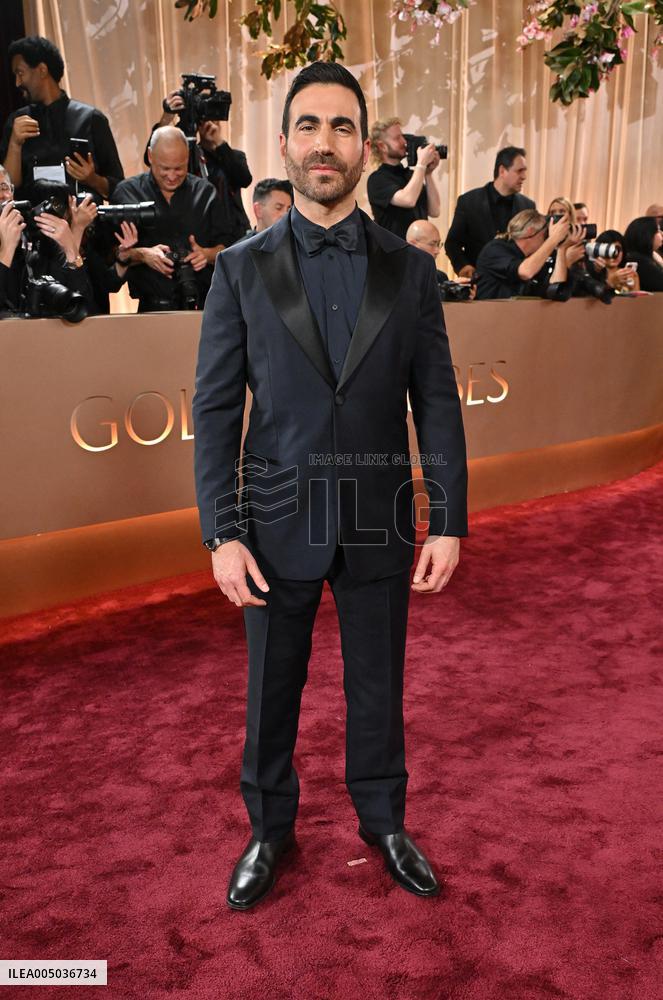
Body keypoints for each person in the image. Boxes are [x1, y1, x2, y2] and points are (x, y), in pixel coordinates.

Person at [193, 61, 468, 911]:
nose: (325, 142)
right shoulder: (239, 269)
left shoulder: (408, 268)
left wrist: (449, 517)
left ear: (362, 143)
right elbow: (214, 407)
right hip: (275, 520)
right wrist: (222, 531)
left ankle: (383, 821)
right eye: (308, 125)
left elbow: (435, 399)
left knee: (378, 684)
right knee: (271, 689)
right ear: (284, 142)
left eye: (342, 126)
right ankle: (268, 830)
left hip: (381, 518)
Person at [112, 126, 228, 311]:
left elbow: (227, 247)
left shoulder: (206, 193)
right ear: (150, 157)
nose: (172, 176)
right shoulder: (127, 194)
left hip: (203, 307)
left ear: (188, 158)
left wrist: (206, 255)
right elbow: (112, 255)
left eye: (179, 168)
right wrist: (143, 255)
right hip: (151, 310)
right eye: (164, 168)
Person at [1, 35, 124, 200]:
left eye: (20, 73)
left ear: (42, 70)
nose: (17, 82)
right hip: (32, 223)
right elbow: (7, 189)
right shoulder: (17, 122)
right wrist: (15, 144)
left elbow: (119, 188)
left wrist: (92, 179)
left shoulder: (90, 119)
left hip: (84, 223)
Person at [150, 90, 252, 245]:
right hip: (201, 232)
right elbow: (153, 159)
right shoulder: (187, 157)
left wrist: (218, 143)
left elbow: (244, 179)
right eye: (205, 119)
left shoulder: (232, 155)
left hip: (233, 232)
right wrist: (168, 118)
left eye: (215, 119)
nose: (211, 124)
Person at [445, 146, 536, 278]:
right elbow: (452, 243)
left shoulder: (528, 205)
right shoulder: (469, 201)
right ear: (502, 171)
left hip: (516, 284)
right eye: (520, 171)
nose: (524, 176)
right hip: (479, 284)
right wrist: (463, 266)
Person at [475, 209, 581, 300]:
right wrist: (553, 239)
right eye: (545, 234)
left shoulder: (533, 258)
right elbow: (526, 272)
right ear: (531, 232)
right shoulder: (496, 249)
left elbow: (556, 289)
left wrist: (562, 248)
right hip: (488, 317)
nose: (546, 239)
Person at [366, 118, 440, 239]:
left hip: (420, 251)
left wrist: (428, 174)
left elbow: (435, 211)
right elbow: (408, 200)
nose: (404, 142)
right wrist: (421, 164)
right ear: (382, 146)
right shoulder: (377, 179)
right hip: (395, 254)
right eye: (397, 138)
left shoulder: (412, 175)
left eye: (402, 136)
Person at [406, 218, 476, 300]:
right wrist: (447, 288)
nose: (437, 251)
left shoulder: (440, 277)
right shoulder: (400, 275)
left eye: (439, 244)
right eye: (432, 244)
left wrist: (459, 294)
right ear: (412, 244)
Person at [623, 216, 663, 291]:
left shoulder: (646, 258)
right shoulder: (639, 261)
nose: (662, 233)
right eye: (657, 231)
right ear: (647, 235)